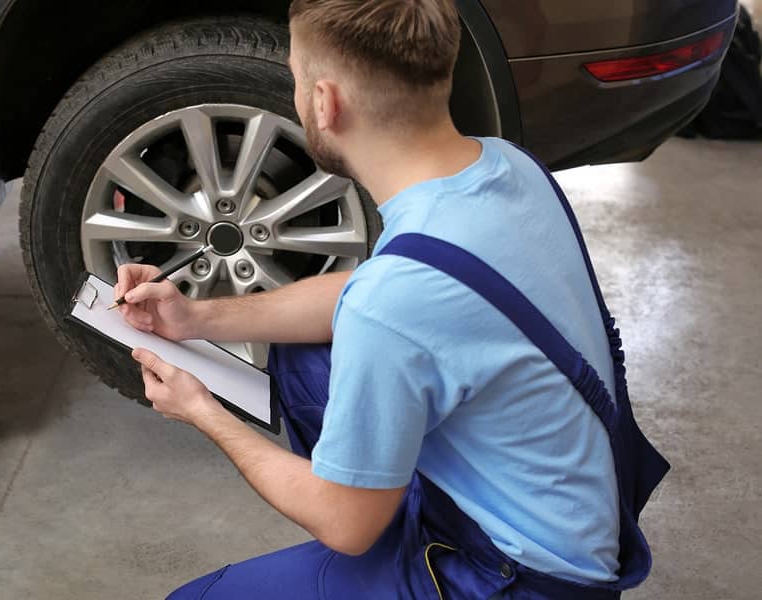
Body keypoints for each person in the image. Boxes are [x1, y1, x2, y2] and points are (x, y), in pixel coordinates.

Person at [114, 1, 669, 597]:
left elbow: (344, 525)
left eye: (297, 78)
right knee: (299, 362)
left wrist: (202, 411)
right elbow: (370, 295)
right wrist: (195, 317)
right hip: (579, 512)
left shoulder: (396, 301)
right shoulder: (508, 168)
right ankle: (381, 508)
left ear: (324, 104)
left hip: (515, 578)